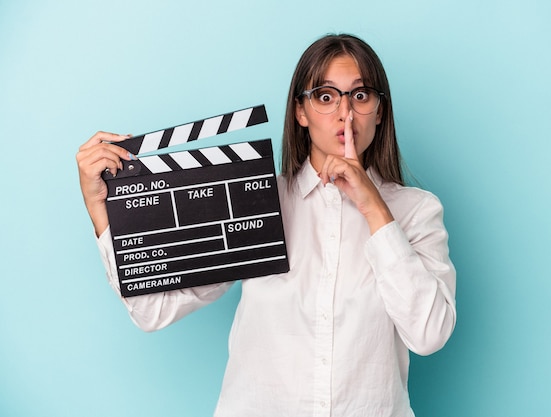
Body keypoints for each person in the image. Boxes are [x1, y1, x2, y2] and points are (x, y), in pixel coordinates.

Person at [76, 33, 456, 417]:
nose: (346, 113)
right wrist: (100, 210)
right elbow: (152, 312)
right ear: (301, 112)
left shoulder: (415, 212)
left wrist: (375, 209)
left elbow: (429, 333)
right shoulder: (256, 201)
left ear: (379, 110)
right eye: (326, 96)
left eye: (360, 96)